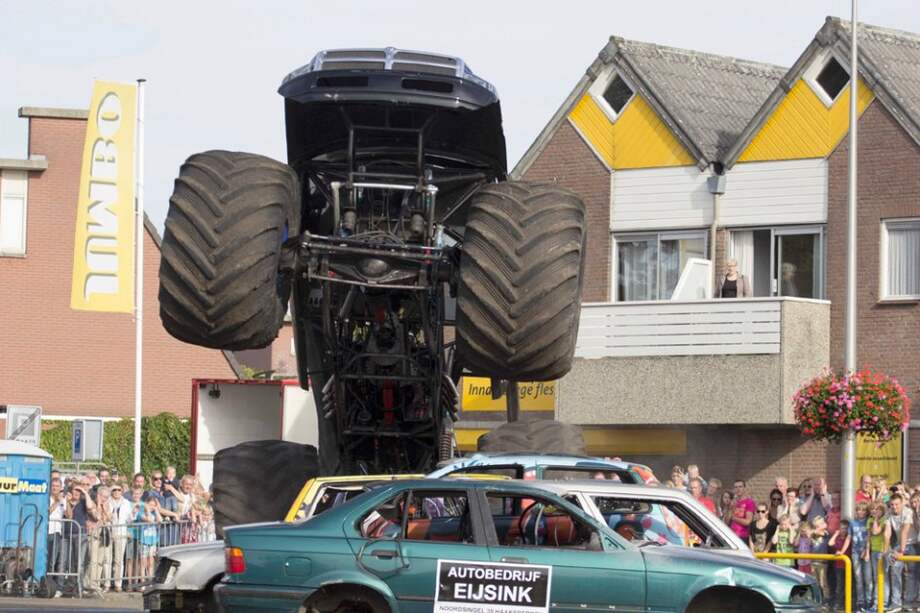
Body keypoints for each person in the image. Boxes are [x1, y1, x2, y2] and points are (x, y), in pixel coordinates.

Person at [888, 493, 913, 611]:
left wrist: (901, 551)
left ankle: (910, 602)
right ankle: (896, 603)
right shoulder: (889, 513)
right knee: (895, 570)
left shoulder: (908, 512)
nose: (894, 507)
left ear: (902, 503)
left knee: (912, 573)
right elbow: (887, 533)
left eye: (897, 504)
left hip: (912, 543)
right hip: (899, 545)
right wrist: (886, 550)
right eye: (892, 505)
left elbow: (905, 531)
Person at [88, 486, 114, 593]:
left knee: (100, 560)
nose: (105, 499)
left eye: (107, 497)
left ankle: (97, 582)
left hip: (104, 535)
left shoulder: (108, 505)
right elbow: (97, 517)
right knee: (93, 560)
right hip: (94, 535)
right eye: (103, 496)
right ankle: (91, 583)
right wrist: (99, 504)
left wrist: (104, 508)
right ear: (98, 495)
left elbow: (109, 519)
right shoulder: (92, 504)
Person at [108, 484, 133, 592]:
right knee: (108, 560)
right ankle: (107, 583)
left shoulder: (126, 503)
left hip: (121, 532)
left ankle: (118, 583)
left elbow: (130, 519)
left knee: (119, 560)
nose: (117, 491)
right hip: (109, 532)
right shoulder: (107, 501)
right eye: (114, 489)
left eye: (119, 489)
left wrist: (133, 515)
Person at [868, 501, 891, 610]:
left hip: (882, 552)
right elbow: (869, 535)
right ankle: (876, 603)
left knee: (883, 578)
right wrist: (867, 551)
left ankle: (884, 603)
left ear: (882, 511)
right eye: (873, 509)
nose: (875, 511)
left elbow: (876, 532)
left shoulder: (884, 521)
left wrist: (876, 519)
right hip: (873, 551)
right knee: (876, 578)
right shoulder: (870, 521)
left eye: (878, 509)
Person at [851, 501, 870, 612]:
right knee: (858, 578)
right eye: (859, 510)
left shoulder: (868, 522)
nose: (861, 512)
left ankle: (868, 601)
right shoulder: (852, 523)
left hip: (866, 552)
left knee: (868, 579)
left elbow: (869, 537)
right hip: (855, 553)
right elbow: (849, 537)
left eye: (863, 510)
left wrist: (866, 551)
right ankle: (860, 602)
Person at [828, 519, 852, 610]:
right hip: (839, 566)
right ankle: (838, 604)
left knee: (848, 585)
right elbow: (830, 543)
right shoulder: (837, 538)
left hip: (848, 565)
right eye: (842, 528)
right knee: (839, 586)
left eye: (846, 528)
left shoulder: (849, 539)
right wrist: (836, 534)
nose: (844, 530)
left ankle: (848, 603)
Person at [810, 516, 831, 603]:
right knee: (815, 582)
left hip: (822, 562)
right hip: (813, 562)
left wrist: (819, 528)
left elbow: (821, 533)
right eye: (820, 524)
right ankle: (817, 599)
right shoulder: (813, 534)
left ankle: (826, 600)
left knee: (823, 583)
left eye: (823, 523)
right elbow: (811, 534)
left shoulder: (825, 533)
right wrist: (815, 529)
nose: (823, 525)